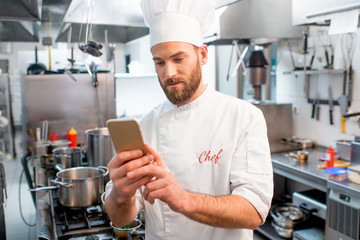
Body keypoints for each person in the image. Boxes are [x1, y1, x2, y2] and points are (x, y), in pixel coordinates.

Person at [105, 0, 273, 239]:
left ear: (202, 55)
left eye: (178, 59)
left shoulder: (243, 117)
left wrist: (183, 200)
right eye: (159, 63)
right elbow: (120, 218)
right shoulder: (144, 126)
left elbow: (255, 211)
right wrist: (120, 196)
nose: (169, 73)